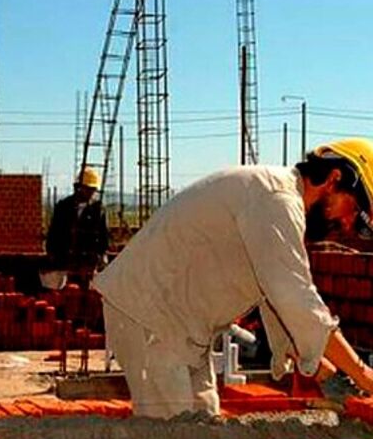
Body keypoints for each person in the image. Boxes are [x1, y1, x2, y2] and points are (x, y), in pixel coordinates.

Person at [92, 138, 373, 418]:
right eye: (356, 214)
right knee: (172, 437)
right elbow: (294, 295)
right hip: (150, 312)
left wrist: (302, 351)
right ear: (335, 178)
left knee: (204, 427)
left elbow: (273, 292)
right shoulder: (276, 199)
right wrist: (364, 376)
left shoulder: (279, 201)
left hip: (179, 325)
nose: (349, 227)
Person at [43, 166, 110, 289]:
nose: (90, 192)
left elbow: (103, 239)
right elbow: (54, 233)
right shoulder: (63, 207)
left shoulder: (98, 210)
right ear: (78, 187)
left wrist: (100, 259)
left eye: (93, 189)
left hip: (88, 264)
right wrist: (53, 255)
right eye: (88, 189)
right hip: (64, 262)